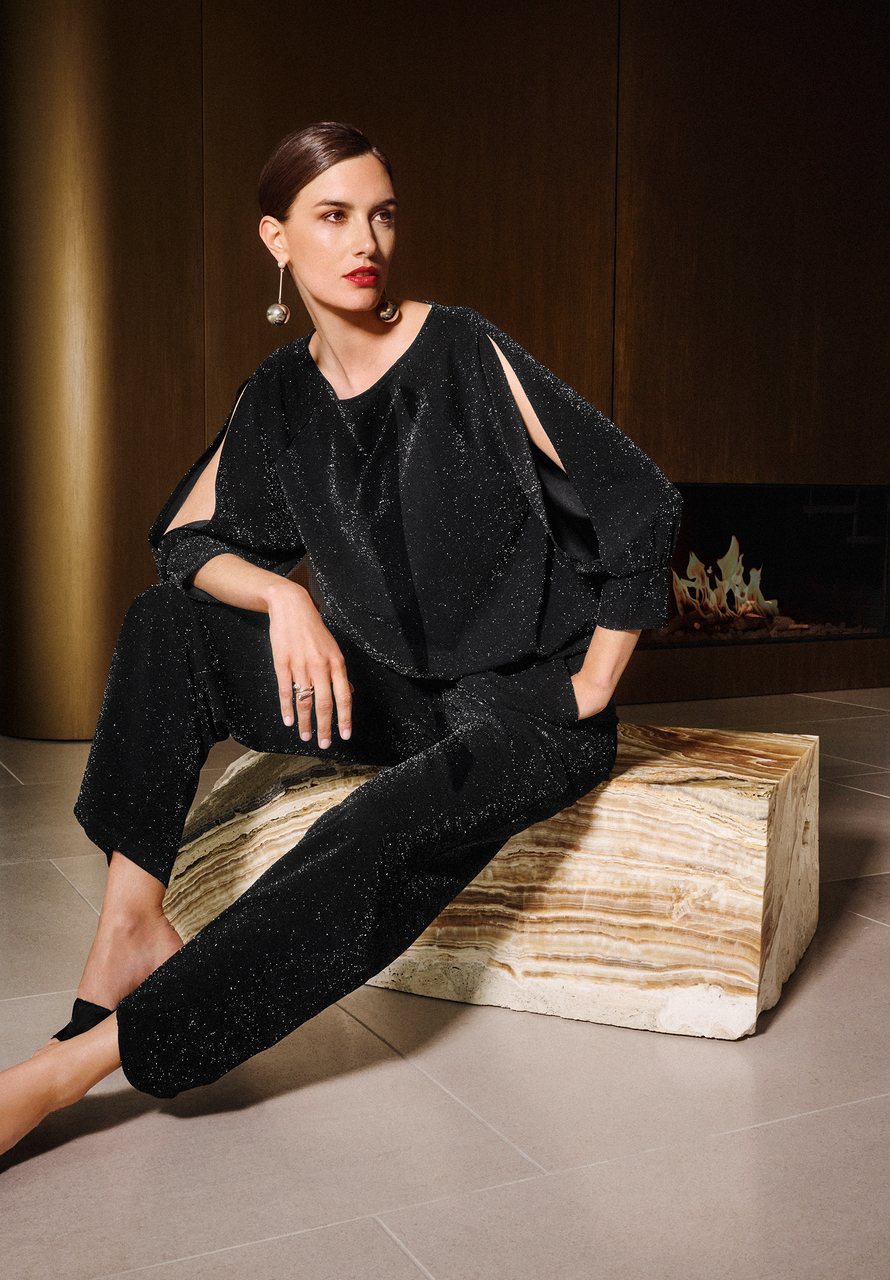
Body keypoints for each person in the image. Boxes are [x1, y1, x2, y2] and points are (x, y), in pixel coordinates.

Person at [0, 122, 682, 1154]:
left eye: (382, 214)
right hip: (393, 695)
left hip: (523, 703)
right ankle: (128, 924)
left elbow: (639, 498)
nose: (366, 241)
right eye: (333, 215)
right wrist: (287, 602)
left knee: (364, 834)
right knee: (166, 623)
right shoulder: (281, 394)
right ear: (275, 237)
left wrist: (591, 683)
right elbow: (184, 540)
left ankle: (71, 1070)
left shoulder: (462, 348)